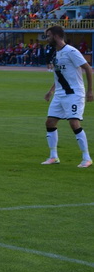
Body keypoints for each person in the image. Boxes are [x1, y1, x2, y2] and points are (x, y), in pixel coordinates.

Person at [42, 25, 93, 168]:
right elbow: (60, 75)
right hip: (59, 94)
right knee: (50, 122)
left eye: (49, 35)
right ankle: (53, 156)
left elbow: (88, 68)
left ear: (57, 36)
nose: (47, 38)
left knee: (74, 123)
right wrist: (51, 90)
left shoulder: (71, 51)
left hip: (74, 93)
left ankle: (86, 158)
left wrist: (90, 91)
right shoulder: (56, 53)